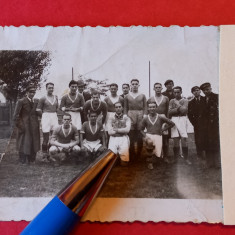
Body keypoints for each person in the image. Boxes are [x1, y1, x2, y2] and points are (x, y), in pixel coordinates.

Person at [141, 101, 175, 169]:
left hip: (158, 136)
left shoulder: (160, 117)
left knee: (157, 155)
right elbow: (141, 129)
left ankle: (155, 158)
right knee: (150, 145)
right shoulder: (145, 118)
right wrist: (146, 137)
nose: (152, 108)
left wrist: (163, 129)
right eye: (150, 107)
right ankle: (149, 163)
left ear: (156, 107)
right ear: (148, 108)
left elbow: (172, 123)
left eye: (153, 107)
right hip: (149, 135)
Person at [13, 86, 40, 164]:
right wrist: (21, 126)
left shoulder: (36, 101)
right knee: (23, 142)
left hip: (34, 125)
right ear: (27, 92)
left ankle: (32, 159)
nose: (32, 94)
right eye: (30, 92)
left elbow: (38, 112)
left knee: (33, 142)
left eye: (33, 92)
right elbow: (16, 115)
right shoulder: (21, 101)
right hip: (25, 125)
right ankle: (22, 159)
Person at [124, 79, 147, 161]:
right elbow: (126, 107)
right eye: (133, 84)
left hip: (140, 115)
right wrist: (125, 116)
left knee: (140, 135)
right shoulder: (127, 96)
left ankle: (139, 154)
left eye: (136, 84)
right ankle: (132, 153)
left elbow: (145, 106)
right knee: (131, 135)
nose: (134, 85)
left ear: (138, 85)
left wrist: (144, 115)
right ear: (131, 85)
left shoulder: (142, 95)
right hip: (130, 115)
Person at [168, 86, 192, 165]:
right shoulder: (171, 100)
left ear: (181, 92)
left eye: (178, 92)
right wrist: (178, 109)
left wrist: (177, 106)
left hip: (182, 119)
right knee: (175, 139)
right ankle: (175, 159)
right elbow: (170, 112)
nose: (176, 94)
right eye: (175, 92)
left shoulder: (185, 100)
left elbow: (184, 111)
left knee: (184, 139)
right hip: (174, 119)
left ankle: (186, 158)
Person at [147, 83, 170, 163]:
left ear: (162, 88)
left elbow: (168, 110)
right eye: (156, 87)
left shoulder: (166, 98)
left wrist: (167, 120)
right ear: (154, 89)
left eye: (159, 87)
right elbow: (149, 111)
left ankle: (166, 156)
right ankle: (154, 156)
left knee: (165, 139)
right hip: (154, 119)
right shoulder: (150, 99)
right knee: (154, 138)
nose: (158, 89)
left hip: (163, 119)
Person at [199, 82, 220, 168]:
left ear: (211, 88)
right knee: (207, 143)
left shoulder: (217, 97)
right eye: (204, 90)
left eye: (208, 89)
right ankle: (209, 163)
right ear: (203, 91)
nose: (206, 91)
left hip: (215, 125)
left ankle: (217, 163)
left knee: (215, 143)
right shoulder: (203, 100)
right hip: (205, 126)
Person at [36, 83, 59, 161]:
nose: (51, 89)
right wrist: (43, 116)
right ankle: (44, 156)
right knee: (45, 138)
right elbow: (38, 109)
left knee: (54, 137)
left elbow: (57, 108)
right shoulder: (43, 98)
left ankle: (51, 155)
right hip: (46, 117)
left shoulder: (56, 97)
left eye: (52, 88)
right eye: (49, 88)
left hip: (54, 117)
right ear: (46, 88)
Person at [188, 86, 207, 160]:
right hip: (197, 124)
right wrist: (194, 123)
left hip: (206, 123)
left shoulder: (205, 99)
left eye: (197, 90)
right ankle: (199, 154)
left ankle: (207, 153)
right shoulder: (191, 102)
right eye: (194, 91)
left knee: (206, 137)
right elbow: (189, 115)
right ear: (192, 93)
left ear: (200, 91)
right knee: (198, 139)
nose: (196, 92)